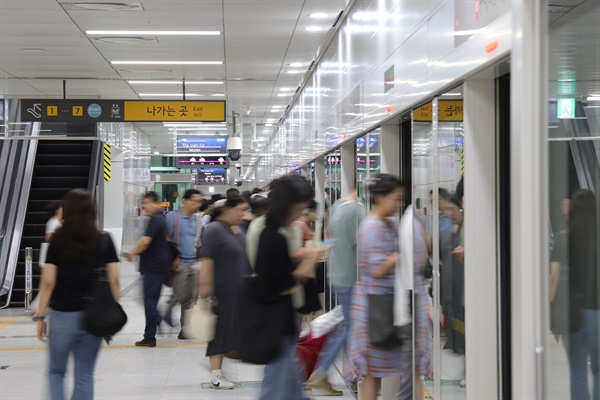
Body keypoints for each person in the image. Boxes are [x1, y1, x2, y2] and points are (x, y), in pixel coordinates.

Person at [34, 189, 120, 400]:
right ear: (92, 211)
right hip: (93, 316)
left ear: (67, 211)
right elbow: (115, 280)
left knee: (56, 371)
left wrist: (40, 316)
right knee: (84, 373)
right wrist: (110, 307)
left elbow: (47, 282)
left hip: (63, 314)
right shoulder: (105, 239)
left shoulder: (56, 240)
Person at [254, 175, 321, 400]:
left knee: (291, 389)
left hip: (279, 322)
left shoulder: (270, 233)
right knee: (273, 391)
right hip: (277, 325)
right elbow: (283, 286)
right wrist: (311, 259)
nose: (302, 212)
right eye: (300, 206)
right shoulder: (273, 237)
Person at [346, 174, 405, 400]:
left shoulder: (388, 223)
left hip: (384, 304)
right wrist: (402, 254)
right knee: (371, 372)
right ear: (380, 198)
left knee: (375, 372)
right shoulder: (371, 228)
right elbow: (378, 269)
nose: (398, 204)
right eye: (395, 199)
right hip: (376, 307)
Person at [306, 190, 366, 396]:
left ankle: (355, 375)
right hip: (352, 279)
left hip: (338, 275)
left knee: (347, 327)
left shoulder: (338, 207)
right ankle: (323, 371)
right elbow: (362, 246)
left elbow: (329, 237)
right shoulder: (358, 210)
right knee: (352, 329)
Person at [197, 196, 250, 390]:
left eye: (245, 210)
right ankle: (216, 376)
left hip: (237, 291)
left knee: (228, 331)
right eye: (239, 210)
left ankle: (218, 368)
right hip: (220, 291)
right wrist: (205, 287)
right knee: (219, 333)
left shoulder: (237, 230)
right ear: (227, 209)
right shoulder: (214, 230)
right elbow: (206, 260)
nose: (242, 214)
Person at [562, 189, 599, 400]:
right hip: (597, 312)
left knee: (577, 373)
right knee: (598, 369)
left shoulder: (565, 237)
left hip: (572, 314)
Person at [123, 192, 170, 347]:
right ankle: (149, 337)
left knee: (147, 300)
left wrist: (132, 253)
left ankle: (160, 318)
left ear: (157, 204)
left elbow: (145, 242)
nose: (145, 207)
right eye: (144, 203)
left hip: (153, 267)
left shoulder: (156, 220)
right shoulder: (159, 219)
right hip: (158, 266)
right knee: (151, 300)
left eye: (148, 203)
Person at [164, 188, 202, 337]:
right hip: (179, 263)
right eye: (195, 201)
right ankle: (166, 312)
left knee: (191, 297)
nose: (198, 204)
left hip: (194, 262)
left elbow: (198, 241)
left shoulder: (196, 219)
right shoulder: (173, 217)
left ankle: (185, 329)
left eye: (199, 202)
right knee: (179, 294)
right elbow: (166, 238)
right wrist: (173, 256)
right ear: (185, 201)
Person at [295, 200, 323, 320]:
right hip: (303, 273)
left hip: (309, 272)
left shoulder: (309, 225)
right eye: (314, 211)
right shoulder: (298, 227)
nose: (316, 214)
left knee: (307, 309)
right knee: (302, 309)